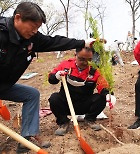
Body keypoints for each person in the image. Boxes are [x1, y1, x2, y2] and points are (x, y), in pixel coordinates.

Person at [0, 2, 95, 153]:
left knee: (31, 95)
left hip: (4, 85)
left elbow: (54, 41)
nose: (35, 31)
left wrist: (82, 42)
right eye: (33, 26)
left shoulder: (32, 38)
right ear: (18, 18)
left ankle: (27, 137)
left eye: (38, 27)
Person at [48, 47, 116, 136]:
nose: (85, 63)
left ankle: (90, 119)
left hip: (85, 104)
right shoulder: (66, 65)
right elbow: (51, 79)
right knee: (54, 98)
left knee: (101, 98)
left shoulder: (94, 70)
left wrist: (108, 95)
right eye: (81, 59)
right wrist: (56, 76)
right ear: (75, 55)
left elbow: (103, 85)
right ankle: (63, 122)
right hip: (66, 104)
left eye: (89, 60)